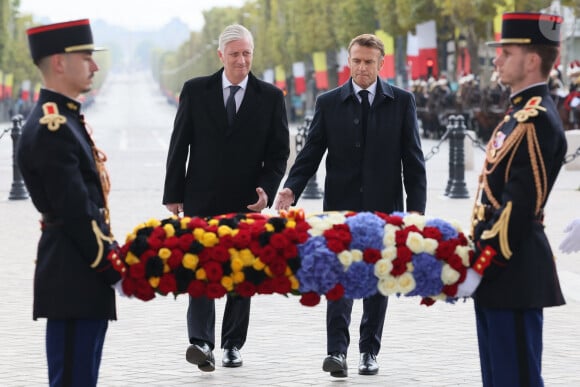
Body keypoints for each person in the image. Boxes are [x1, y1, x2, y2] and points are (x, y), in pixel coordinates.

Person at [274, 33, 426, 378]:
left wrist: (415, 209)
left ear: (381, 63)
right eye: (356, 61)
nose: (361, 68)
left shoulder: (401, 102)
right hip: (339, 209)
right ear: (349, 61)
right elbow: (311, 152)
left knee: (377, 279)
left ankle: (369, 352)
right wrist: (290, 189)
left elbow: (413, 159)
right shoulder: (329, 102)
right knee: (339, 278)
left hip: (385, 209)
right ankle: (336, 352)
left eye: (368, 62)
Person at [162, 24, 289, 373]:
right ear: (221, 55)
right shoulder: (195, 90)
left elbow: (279, 153)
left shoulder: (271, 97)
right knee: (200, 267)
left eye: (247, 53)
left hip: (247, 201)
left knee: (240, 272)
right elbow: (179, 145)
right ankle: (201, 342)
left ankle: (233, 344)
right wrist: (173, 194)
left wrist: (267, 187)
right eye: (234, 54)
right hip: (200, 198)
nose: (242, 60)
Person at [458, 12, 567, 386]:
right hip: (499, 273)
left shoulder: (535, 119)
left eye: (506, 52)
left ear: (532, 60)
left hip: (513, 270)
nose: (497, 60)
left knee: (515, 378)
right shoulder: (518, 113)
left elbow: (518, 208)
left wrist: (481, 261)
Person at [16, 19, 122, 387]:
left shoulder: (66, 118)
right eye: (86, 57)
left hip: (79, 277)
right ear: (59, 62)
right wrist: (111, 264)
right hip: (74, 276)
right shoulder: (53, 127)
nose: (94, 66)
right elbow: (76, 209)